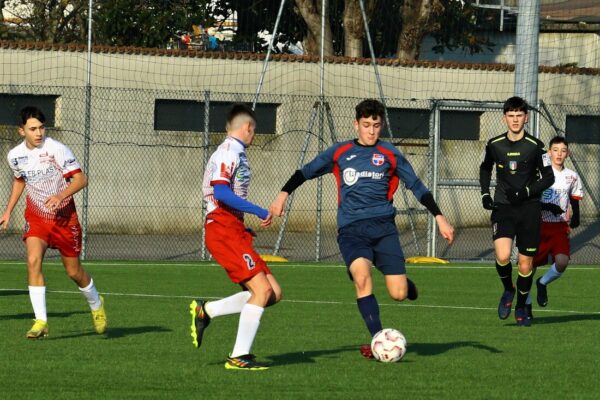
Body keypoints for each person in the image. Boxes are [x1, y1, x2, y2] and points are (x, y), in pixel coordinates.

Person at [269, 99, 454, 359]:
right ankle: (378, 339)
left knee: (398, 293)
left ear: (382, 126)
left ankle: (404, 284)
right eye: (366, 125)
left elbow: (417, 186)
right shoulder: (340, 152)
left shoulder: (390, 154)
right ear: (356, 124)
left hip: (384, 229)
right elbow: (305, 172)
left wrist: (439, 216)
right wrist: (282, 195)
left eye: (376, 125)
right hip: (352, 229)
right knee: (362, 277)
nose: (371, 131)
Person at [0, 106, 107, 338]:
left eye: (41, 127)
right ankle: (41, 321)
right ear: (21, 131)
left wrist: (60, 196)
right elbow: (20, 181)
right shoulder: (15, 156)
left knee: (74, 272)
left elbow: (81, 179)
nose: (39, 133)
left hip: (65, 220)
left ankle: (96, 304)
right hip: (37, 218)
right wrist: (8, 211)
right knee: (32, 259)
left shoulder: (57, 149)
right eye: (33, 129)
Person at [190, 103, 281, 371]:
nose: (254, 135)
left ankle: (207, 311)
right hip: (222, 228)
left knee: (273, 293)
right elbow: (221, 193)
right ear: (248, 127)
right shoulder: (229, 151)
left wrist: (243, 225)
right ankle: (239, 356)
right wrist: (257, 210)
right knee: (261, 290)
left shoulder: (235, 152)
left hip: (232, 228)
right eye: (254, 130)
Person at [479, 96, 554, 327]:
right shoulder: (494, 144)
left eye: (519, 115)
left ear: (526, 117)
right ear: (504, 117)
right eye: (511, 116)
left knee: (525, 265)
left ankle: (521, 306)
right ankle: (508, 290)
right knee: (502, 256)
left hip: (529, 209)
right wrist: (485, 194)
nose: (515, 120)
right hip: (503, 207)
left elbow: (549, 177)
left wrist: (526, 192)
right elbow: (485, 168)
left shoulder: (536, 146)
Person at [525, 136, 583, 318]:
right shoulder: (539, 174)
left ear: (568, 153)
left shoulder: (572, 176)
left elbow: (574, 198)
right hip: (538, 225)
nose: (559, 154)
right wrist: (547, 206)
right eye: (555, 150)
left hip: (558, 226)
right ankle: (525, 306)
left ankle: (542, 283)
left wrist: (576, 216)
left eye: (563, 150)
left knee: (562, 262)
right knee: (529, 266)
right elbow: (530, 199)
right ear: (549, 152)